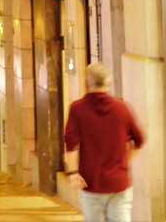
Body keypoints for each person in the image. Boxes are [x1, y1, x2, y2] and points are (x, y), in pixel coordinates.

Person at [64, 62, 144, 222]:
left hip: (91, 183)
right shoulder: (122, 108)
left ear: (87, 83)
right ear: (109, 83)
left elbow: (71, 144)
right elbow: (139, 140)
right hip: (119, 183)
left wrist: (73, 173)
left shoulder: (77, 109)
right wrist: (124, 161)